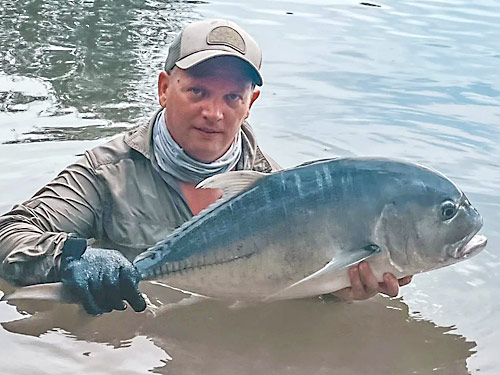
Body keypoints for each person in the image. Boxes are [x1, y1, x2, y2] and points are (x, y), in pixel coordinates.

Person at [0, 19, 411, 315]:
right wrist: (70, 260)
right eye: (197, 91)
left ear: (250, 104)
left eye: (232, 97)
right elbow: (9, 234)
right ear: (164, 88)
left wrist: (343, 291)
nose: (214, 112)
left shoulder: (284, 190)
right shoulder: (107, 172)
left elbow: (304, 282)